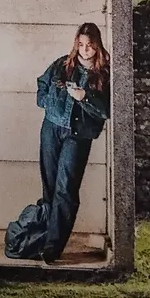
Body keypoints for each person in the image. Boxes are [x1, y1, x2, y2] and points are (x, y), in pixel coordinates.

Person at [32, 22, 111, 263]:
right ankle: (41, 239)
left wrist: (85, 97)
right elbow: (42, 84)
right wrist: (46, 103)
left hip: (78, 136)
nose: (85, 50)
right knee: (49, 187)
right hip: (52, 129)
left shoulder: (104, 74)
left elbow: (106, 111)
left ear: (97, 46)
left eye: (90, 46)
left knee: (65, 190)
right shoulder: (62, 65)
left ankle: (53, 248)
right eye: (81, 45)